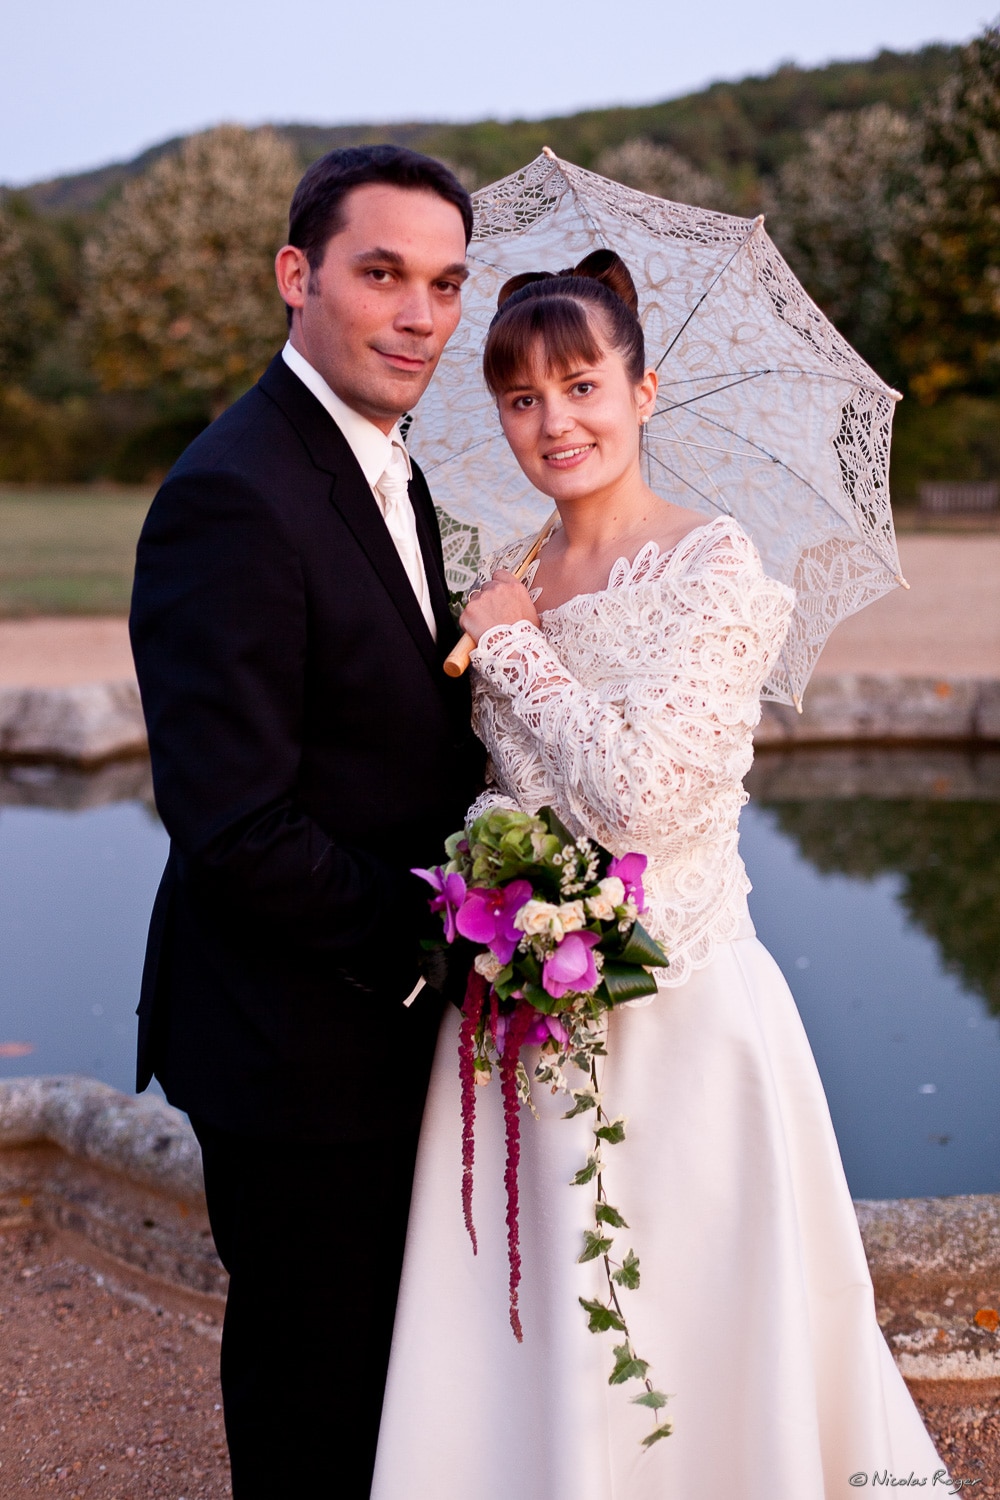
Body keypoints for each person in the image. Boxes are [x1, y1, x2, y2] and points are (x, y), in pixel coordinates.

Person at [371, 251, 944, 1497]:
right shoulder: (513, 570)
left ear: (643, 388)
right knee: (533, 1338)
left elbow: (643, 798)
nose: (553, 422)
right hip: (521, 1023)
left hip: (680, 1023)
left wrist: (515, 653)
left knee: (689, 1331)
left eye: (580, 384)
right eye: (520, 398)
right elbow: (511, 793)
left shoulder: (715, 567)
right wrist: (487, 878)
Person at [128, 145, 484, 1498]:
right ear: (298, 275)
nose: (421, 316)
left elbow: (393, 728)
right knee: (313, 1393)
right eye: (382, 274)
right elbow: (233, 823)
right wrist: (453, 920)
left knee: (386, 1374)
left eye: (446, 284)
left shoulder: (391, 469)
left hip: (375, 1030)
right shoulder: (235, 493)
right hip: (292, 1047)